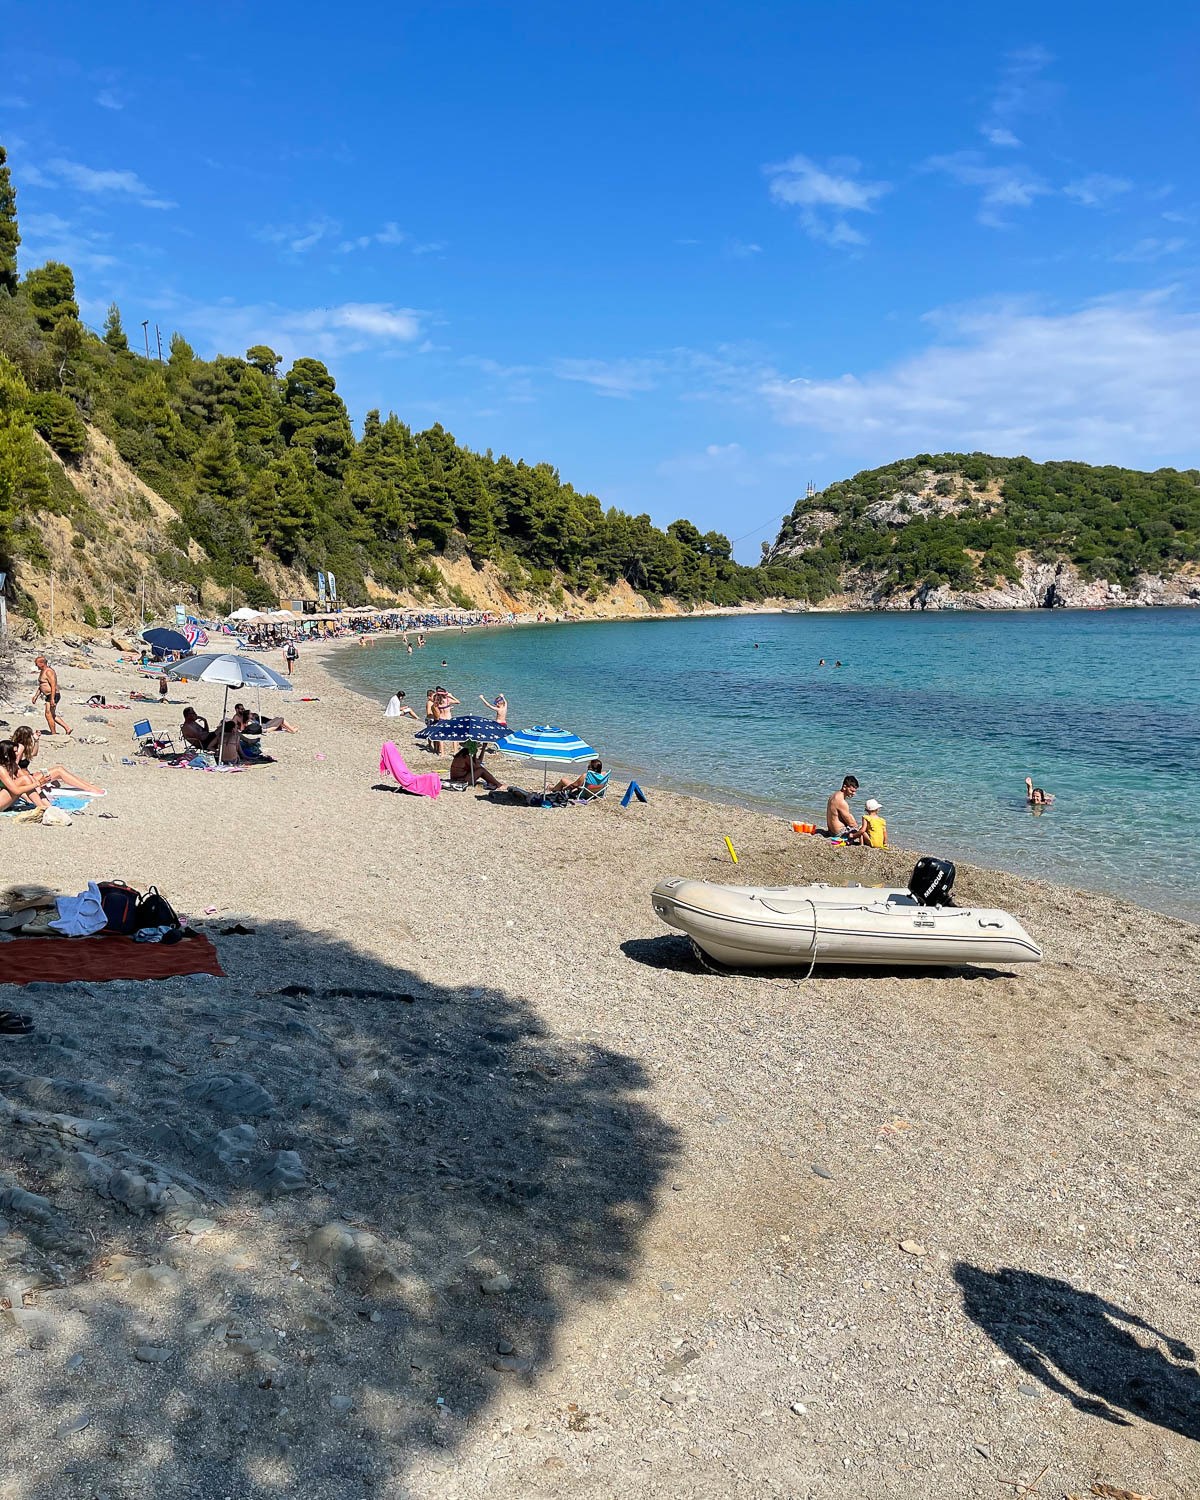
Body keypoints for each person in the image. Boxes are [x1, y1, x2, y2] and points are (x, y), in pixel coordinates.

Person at [10, 727, 102, 794]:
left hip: (28, 777)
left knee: (59, 770)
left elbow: (34, 754)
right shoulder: (19, 749)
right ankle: (88, 788)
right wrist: (35, 784)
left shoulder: (18, 747)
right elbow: (15, 769)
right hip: (26, 780)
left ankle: (88, 786)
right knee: (59, 770)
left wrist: (37, 740)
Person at [0, 739, 51, 811]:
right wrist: (39, 783)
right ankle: (43, 808)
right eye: (15, 752)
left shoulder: (12, 765)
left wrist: (41, 783)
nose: (18, 753)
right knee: (25, 780)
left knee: (28, 777)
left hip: (4, 799)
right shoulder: (1, 769)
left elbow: (28, 779)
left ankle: (46, 806)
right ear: (6, 754)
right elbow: (16, 791)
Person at [31, 656, 71, 737]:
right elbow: (42, 685)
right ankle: (67, 728)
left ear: (42, 663)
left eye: (37, 663)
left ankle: (53, 733)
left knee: (48, 714)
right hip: (48, 695)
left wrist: (52, 698)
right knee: (51, 714)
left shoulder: (49, 672)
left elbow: (53, 685)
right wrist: (36, 696)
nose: (36, 665)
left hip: (53, 695)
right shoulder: (42, 671)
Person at [825, 775, 864, 842]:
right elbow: (851, 824)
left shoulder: (833, 795)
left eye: (855, 791)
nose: (854, 794)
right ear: (844, 787)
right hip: (839, 833)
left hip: (831, 831)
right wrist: (859, 828)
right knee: (862, 830)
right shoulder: (842, 802)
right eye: (852, 791)